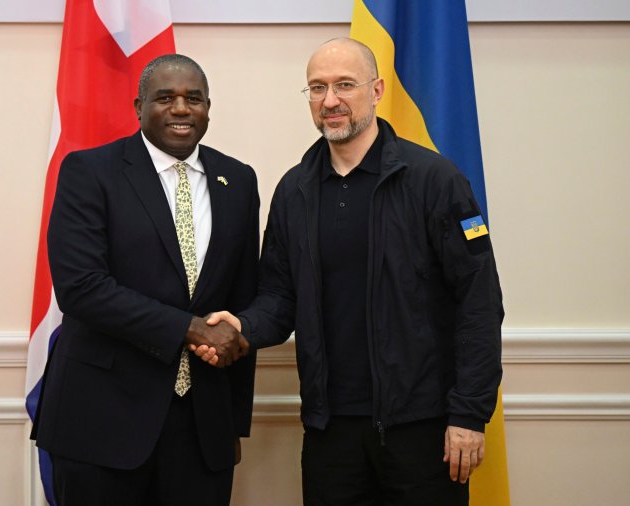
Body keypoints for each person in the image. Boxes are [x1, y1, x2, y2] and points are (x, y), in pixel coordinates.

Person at [196, 38, 504, 505]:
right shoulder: (293, 191)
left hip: (425, 431)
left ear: (377, 90)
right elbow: (279, 299)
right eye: (317, 88)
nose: (330, 101)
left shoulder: (434, 180)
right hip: (330, 431)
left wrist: (468, 415)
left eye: (344, 85)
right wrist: (243, 325)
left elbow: (478, 305)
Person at [31, 54, 259, 506]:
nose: (180, 109)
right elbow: (81, 288)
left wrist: (229, 424)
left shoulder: (237, 179)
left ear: (208, 108)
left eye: (193, 99)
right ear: (138, 106)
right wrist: (188, 328)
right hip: (102, 423)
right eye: (165, 98)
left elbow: (241, 296)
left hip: (200, 431)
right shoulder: (90, 171)